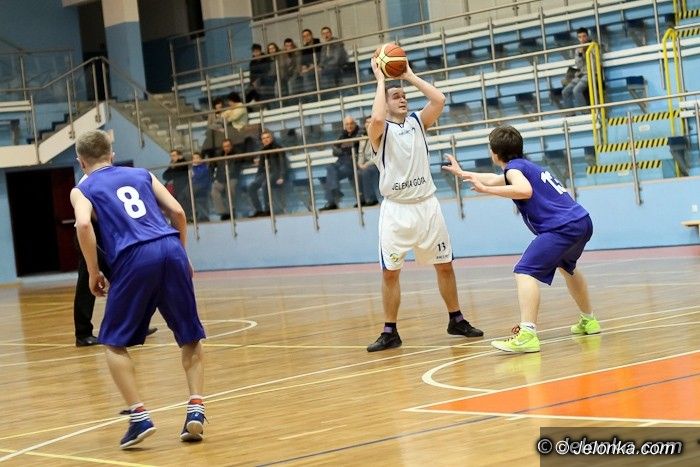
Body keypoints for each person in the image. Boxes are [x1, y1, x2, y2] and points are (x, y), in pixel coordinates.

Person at [71, 129, 206, 448]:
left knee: (113, 342)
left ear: (81, 162)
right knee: (190, 336)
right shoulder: (142, 174)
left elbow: (83, 224)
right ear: (112, 154)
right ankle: (196, 410)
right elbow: (178, 212)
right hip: (170, 247)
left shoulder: (82, 188)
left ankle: (139, 417)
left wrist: (93, 271)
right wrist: (182, 253)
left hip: (133, 256)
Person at [442, 125, 598, 354]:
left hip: (562, 227)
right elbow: (497, 178)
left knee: (524, 271)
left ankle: (527, 335)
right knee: (567, 268)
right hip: (581, 221)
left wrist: (486, 190)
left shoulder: (514, 170)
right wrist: (463, 173)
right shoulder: (525, 166)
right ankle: (589, 320)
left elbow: (524, 191)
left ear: (495, 152)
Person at [364, 57, 483, 352]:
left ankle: (456, 319)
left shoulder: (418, 122)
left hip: (427, 206)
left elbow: (439, 99)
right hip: (396, 210)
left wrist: (408, 76)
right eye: (396, 96)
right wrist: (381, 80)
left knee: (445, 265)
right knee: (390, 272)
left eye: (404, 95)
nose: (402, 99)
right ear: (385, 103)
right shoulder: (378, 131)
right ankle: (390, 331)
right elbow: (377, 119)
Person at [320, 116, 359, 210]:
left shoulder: (359, 133)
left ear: (355, 124)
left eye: (351, 123)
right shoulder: (342, 135)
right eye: (347, 124)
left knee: (330, 176)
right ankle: (336, 191)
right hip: (340, 161)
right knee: (330, 168)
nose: (349, 126)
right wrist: (344, 151)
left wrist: (342, 149)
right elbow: (334, 150)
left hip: (351, 163)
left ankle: (331, 202)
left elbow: (354, 146)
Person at [247, 130, 288, 217]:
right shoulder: (263, 150)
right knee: (251, 187)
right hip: (265, 174)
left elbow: (283, 163)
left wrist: (282, 176)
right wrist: (257, 178)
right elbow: (260, 167)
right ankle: (258, 210)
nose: (265, 140)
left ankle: (268, 209)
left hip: (276, 173)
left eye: (267, 137)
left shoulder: (278, 148)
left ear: (271, 138)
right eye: (263, 138)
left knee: (265, 185)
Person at [562, 27, 591, 112]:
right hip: (581, 74)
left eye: (584, 36)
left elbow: (593, 64)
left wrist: (585, 52)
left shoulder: (593, 46)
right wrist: (580, 54)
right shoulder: (578, 50)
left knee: (576, 90)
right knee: (565, 91)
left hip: (590, 74)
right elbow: (579, 65)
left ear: (587, 36)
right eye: (580, 37)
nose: (582, 39)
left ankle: (585, 112)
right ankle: (570, 114)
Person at [210, 138, 240, 221]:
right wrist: (214, 178)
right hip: (221, 179)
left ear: (231, 146)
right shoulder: (220, 156)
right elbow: (212, 166)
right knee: (214, 189)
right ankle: (223, 212)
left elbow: (235, 169)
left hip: (232, 178)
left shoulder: (236, 155)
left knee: (230, 188)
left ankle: (232, 210)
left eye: (228, 146)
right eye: (224, 146)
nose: (226, 148)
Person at [357, 116, 380, 207]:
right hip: (367, 164)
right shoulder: (363, 138)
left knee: (366, 171)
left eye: (370, 122)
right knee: (358, 173)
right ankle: (362, 200)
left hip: (377, 163)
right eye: (367, 122)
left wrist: (366, 164)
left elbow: (378, 154)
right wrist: (360, 164)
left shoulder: (379, 136)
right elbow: (361, 153)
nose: (368, 124)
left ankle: (370, 199)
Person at [163, 149, 192, 221]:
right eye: (171, 156)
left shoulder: (183, 163)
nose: (172, 157)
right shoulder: (173, 165)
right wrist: (172, 169)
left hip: (183, 187)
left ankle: (187, 218)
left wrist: (172, 170)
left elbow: (178, 173)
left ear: (179, 156)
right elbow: (165, 176)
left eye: (174, 155)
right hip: (176, 188)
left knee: (182, 201)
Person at [318, 26, 348, 90]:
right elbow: (322, 59)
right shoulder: (324, 46)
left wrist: (325, 66)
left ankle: (333, 90)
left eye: (327, 33)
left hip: (339, 65)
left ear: (331, 33)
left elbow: (336, 59)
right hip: (329, 67)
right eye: (323, 34)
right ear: (322, 36)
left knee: (329, 73)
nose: (326, 35)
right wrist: (320, 66)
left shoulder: (336, 42)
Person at [191, 152, 211, 222]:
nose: (195, 160)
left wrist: (193, 172)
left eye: (197, 158)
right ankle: (197, 216)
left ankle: (204, 217)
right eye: (194, 158)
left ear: (201, 159)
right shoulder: (192, 168)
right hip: (195, 188)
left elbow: (198, 176)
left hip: (203, 188)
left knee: (202, 202)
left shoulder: (204, 167)